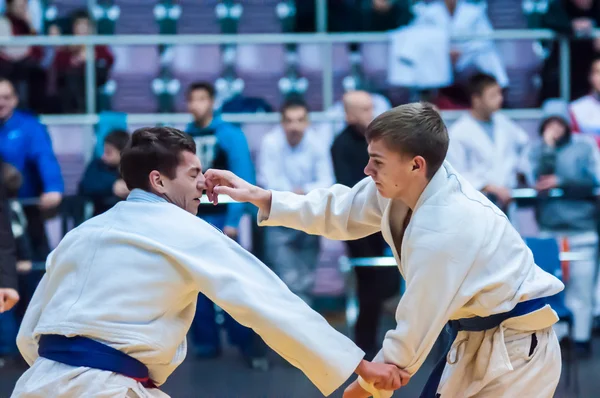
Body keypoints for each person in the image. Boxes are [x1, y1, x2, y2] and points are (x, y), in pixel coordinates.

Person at [12, 126, 408, 398]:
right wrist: (359, 365)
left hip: (35, 383)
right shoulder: (183, 229)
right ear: (158, 181)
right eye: (194, 173)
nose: (204, 183)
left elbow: (31, 331)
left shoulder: (81, 233)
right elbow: (265, 300)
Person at [204, 102, 564, 398]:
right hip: (478, 337)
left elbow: (416, 323)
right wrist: (263, 197)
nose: (367, 169)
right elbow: (339, 209)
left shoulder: (450, 223)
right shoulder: (404, 187)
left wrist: (367, 385)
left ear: (415, 164)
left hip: (519, 350)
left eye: (377, 161)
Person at [184, 81, 264, 365]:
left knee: (231, 283)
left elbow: (241, 177)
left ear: (212, 102)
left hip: (222, 216)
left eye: (202, 99)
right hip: (193, 220)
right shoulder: (183, 137)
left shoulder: (230, 135)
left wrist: (233, 221)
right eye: (193, 99)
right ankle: (205, 343)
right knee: (196, 284)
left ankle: (243, 341)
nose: (197, 105)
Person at [526, 100, 600, 357]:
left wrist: (563, 181)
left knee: (581, 288)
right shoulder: (536, 150)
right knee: (550, 289)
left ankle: (581, 339)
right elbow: (535, 177)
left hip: (583, 229)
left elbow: (593, 180)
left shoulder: (584, 145)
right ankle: (554, 344)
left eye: (559, 122)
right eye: (549, 123)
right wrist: (548, 148)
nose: (555, 128)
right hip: (550, 230)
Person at [331, 91, 398, 359]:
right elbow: (350, 188)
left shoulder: (383, 140)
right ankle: (364, 345)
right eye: (363, 110)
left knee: (389, 280)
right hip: (358, 223)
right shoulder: (340, 145)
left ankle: (383, 342)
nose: (370, 114)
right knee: (368, 283)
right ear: (349, 115)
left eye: (371, 108)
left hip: (387, 215)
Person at [258, 98, 334, 305]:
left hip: (309, 215)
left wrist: (300, 192)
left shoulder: (317, 142)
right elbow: (267, 181)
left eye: (300, 120)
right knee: (284, 280)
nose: (294, 126)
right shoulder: (270, 142)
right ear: (282, 123)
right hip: (279, 217)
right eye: (289, 120)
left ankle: (304, 332)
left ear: (307, 122)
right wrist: (301, 193)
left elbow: (327, 181)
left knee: (307, 280)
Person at [446, 73, 529, 211]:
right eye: (493, 95)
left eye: (500, 94)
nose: (500, 99)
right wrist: (488, 186)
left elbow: (525, 147)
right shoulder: (459, 132)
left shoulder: (505, 123)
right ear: (476, 99)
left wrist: (521, 172)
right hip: (477, 203)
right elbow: (456, 172)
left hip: (507, 200)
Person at [79, 129, 130, 216]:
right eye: (104, 151)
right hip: (102, 215)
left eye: (109, 152)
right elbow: (84, 187)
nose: (103, 156)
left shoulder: (136, 168)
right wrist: (112, 186)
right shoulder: (97, 165)